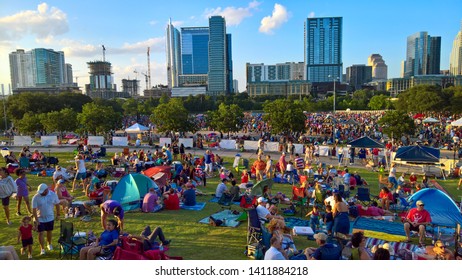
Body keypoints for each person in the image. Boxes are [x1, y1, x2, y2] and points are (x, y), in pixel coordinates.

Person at [32, 183, 60, 255]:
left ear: (46, 190)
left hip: (50, 217)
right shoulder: (36, 197)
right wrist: (36, 220)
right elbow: (34, 210)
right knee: (41, 233)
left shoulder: (53, 195)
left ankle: (49, 244)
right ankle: (42, 248)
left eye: (43, 192)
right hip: (40, 218)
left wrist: (58, 214)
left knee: (49, 231)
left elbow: (57, 204)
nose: (41, 193)